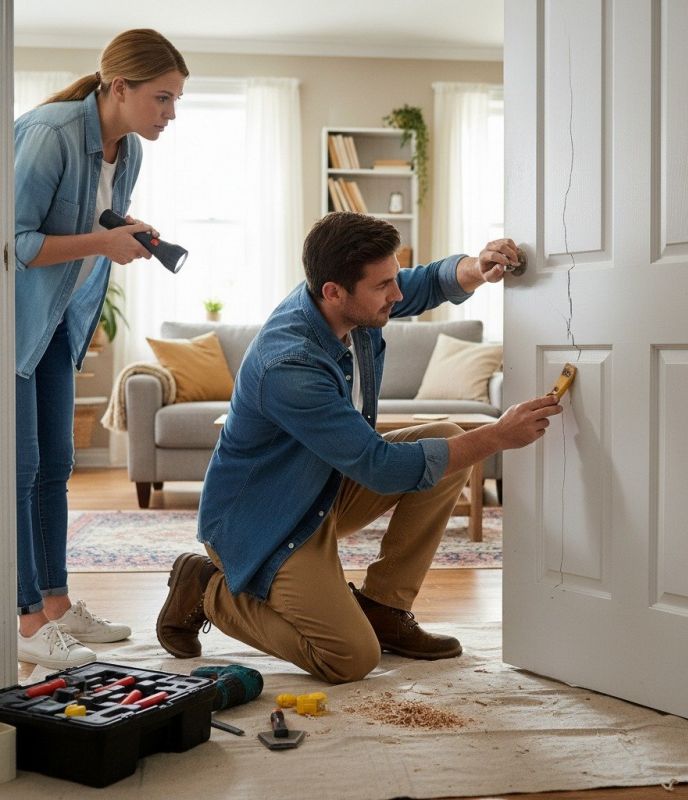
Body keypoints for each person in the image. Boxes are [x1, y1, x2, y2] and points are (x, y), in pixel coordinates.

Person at [156, 211, 562, 684]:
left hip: (322, 488)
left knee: (449, 440)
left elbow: (423, 283)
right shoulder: (288, 365)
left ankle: (383, 607)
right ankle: (207, 588)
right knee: (348, 659)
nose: (397, 294)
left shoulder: (344, 299)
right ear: (335, 291)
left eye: (394, 279)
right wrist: (496, 436)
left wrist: (477, 267)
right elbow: (381, 468)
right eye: (384, 286)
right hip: (264, 521)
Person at [15, 29, 189, 669]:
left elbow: (97, 222)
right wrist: (101, 244)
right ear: (120, 87)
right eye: (163, 99)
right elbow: (18, 243)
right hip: (20, 322)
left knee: (57, 467)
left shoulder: (129, 150)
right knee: (22, 470)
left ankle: (56, 605)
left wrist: (129, 233)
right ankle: (25, 621)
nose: (170, 114)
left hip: (64, 319)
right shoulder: (51, 133)